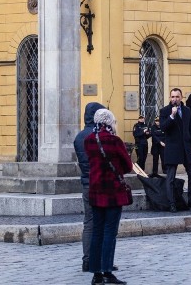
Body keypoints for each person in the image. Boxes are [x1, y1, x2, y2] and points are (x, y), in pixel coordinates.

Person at [83, 108, 132, 285]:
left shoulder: (89, 141)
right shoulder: (115, 140)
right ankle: (107, 270)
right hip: (113, 192)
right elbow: (127, 166)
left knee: (97, 231)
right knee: (110, 233)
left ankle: (96, 274)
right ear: (110, 121)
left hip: (95, 191)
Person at [74, 101, 106, 273]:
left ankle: (87, 261)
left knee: (89, 223)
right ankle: (100, 260)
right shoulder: (98, 135)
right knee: (103, 224)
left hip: (86, 183)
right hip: (100, 184)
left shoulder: (79, 137)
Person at [159, 88, 191, 212]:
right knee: (170, 177)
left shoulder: (187, 111)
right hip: (172, 148)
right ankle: (172, 203)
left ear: (181, 97)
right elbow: (163, 127)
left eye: (177, 97)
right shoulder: (165, 111)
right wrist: (172, 116)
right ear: (170, 98)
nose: (174, 99)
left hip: (186, 147)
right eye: (172, 97)